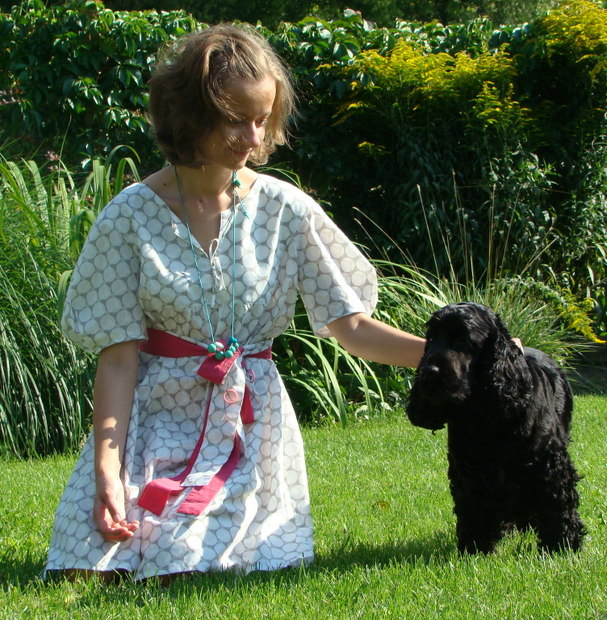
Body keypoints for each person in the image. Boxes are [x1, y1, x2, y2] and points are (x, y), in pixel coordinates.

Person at [45, 23, 426, 582]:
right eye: (235, 119)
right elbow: (119, 359)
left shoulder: (285, 210)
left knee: (183, 566)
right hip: (152, 425)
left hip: (246, 429)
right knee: (88, 564)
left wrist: (458, 357)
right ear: (189, 115)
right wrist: (107, 466)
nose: (252, 137)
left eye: (262, 119)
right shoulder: (127, 217)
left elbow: (353, 327)